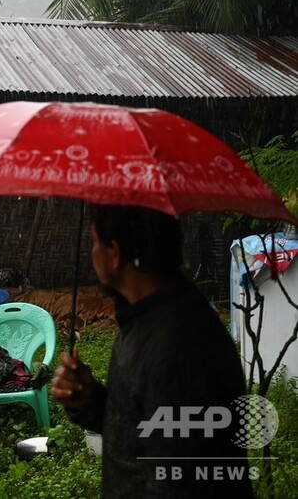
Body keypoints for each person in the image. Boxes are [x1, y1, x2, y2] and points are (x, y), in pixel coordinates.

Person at [51, 205, 255, 498]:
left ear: (115, 253)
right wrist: (90, 400)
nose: (92, 253)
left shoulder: (180, 346)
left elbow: (179, 481)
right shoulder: (148, 317)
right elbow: (142, 427)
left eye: (95, 242)